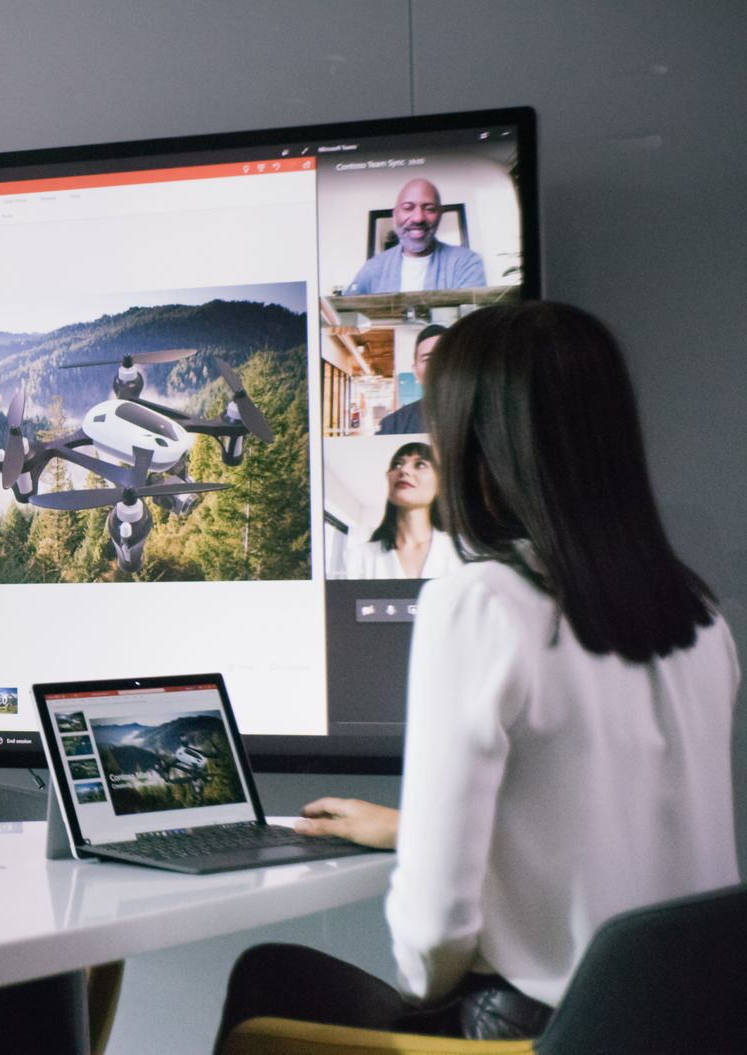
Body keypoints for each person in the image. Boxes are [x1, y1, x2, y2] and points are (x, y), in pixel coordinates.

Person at [214, 302, 738, 1047]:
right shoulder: (698, 615)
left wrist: (427, 932)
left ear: (478, 446)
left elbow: (431, 943)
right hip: (677, 1024)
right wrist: (408, 830)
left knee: (273, 976)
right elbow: (611, 821)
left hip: (534, 1034)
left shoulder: (480, 601)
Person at [336, 441, 463, 580]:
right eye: (397, 464)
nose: (404, 470)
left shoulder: (462, 554)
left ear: (440, 484)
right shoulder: (355, 559)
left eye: (420, 464)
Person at [344, 179, 486, 294]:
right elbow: (347, 313)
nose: (418, 218)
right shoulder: (373, 267)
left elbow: (472, 323)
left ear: (440, 214)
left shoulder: (466, 262)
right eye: (407, 208)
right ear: (395, 215)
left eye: (429, 209)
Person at [375, 324, 445, 435]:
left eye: (445, 357)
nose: (437, 365)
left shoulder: (480, 418)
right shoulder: (394, 426)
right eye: (428, 360)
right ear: (415, 372)